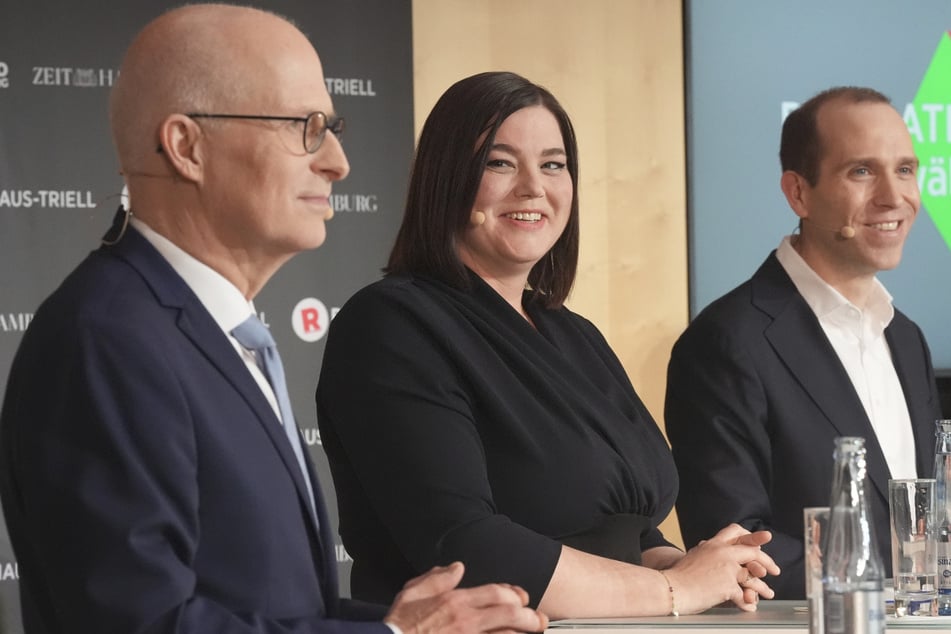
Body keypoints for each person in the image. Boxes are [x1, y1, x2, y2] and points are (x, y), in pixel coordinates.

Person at [0, 6, 549, 633]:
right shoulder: (105, 339)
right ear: (187, 147)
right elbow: (140, 624)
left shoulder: (210, 331)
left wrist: (416, 624)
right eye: (304, 127)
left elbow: (275, 611)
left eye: (333, 127)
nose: (338, 162)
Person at [315, 71, 779, 620]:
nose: (534, 187)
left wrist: (698, 568)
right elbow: (467, 548)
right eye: (500, 162)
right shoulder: (391, 325)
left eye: (553, 164)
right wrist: (676, 592)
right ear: (447, 178)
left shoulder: (571, 331)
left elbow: (624, 526)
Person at [664, 86, 941, 600]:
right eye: (861, 171)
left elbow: (920, 528)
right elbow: (739, 546)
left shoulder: (906, 338)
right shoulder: (725, 342)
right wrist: (896, 590)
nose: (894, 196)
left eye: (905, 169)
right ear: (798, 193)